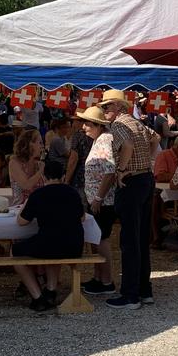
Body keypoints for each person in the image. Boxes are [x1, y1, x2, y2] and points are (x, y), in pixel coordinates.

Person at [100, 88, 159, 310]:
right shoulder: (137, 122)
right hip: (145, 178)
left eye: (107, 106)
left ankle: (130, 295)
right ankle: (145, 290)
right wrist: (148, 164)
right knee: (141, 238)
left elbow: (127, 146)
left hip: (132, 182)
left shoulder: (120, 124)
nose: (104, 109)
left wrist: (122, 169)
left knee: (129, 241)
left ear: (119, 107)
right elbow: (157, 138)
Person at [12, 160, 86, 312]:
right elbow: (82, 217)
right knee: (53, 247)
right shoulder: (72, 192)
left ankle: (37, 296)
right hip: (74, 246)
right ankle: (51, 290)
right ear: (63, 176)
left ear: (44, 178)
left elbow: (22, 222)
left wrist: (26, 206)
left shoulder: (38, 195)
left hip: (49, 243)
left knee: (15, 252)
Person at [78, 105, 117, 295]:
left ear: (97, 125)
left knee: (102, 240)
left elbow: (109, 172)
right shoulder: (99, 140)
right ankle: (98, 278)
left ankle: (107, 281)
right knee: (96, 239)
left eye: (86, 123)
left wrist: (99, 198)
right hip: (97, 200)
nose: (83, 127)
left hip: (102, 201)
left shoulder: (103, 141)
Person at [9, 128, 46, 204]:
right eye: (40, 143)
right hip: (20, 209)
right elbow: (26, 185)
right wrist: (41, 171)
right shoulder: (15, 163)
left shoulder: (38, 164)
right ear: (30, 144)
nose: (42, 146)